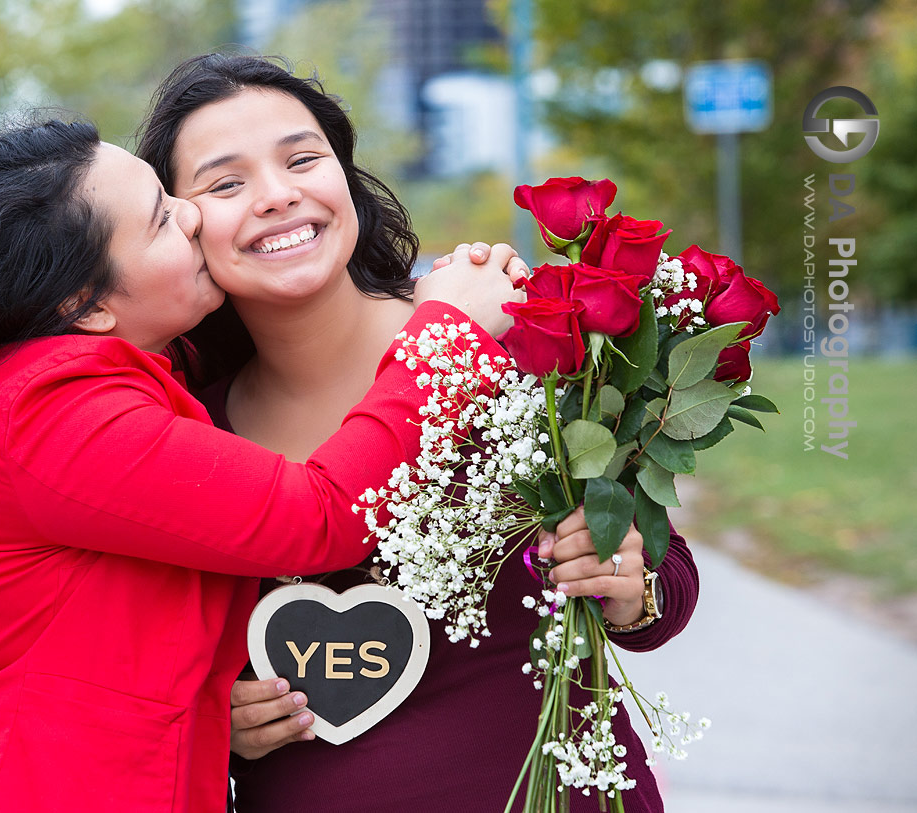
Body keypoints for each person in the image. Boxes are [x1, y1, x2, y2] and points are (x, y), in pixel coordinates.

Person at [0, 117, 524, 812]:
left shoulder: (105, 379)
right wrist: (449, 337)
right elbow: (318, 516)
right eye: (161, 218)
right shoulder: (50, 411)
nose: (195, 217)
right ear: (86, 304)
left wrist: (217, 712)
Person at [136, 53, 700, 812]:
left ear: (346, 178)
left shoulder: (497, 342)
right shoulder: (182, 425)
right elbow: (148, 664)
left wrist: (629, 584)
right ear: (182, 226)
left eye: (303, 159)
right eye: (226, 182)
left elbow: (664, 577)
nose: (277, 195)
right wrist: (217, 716)